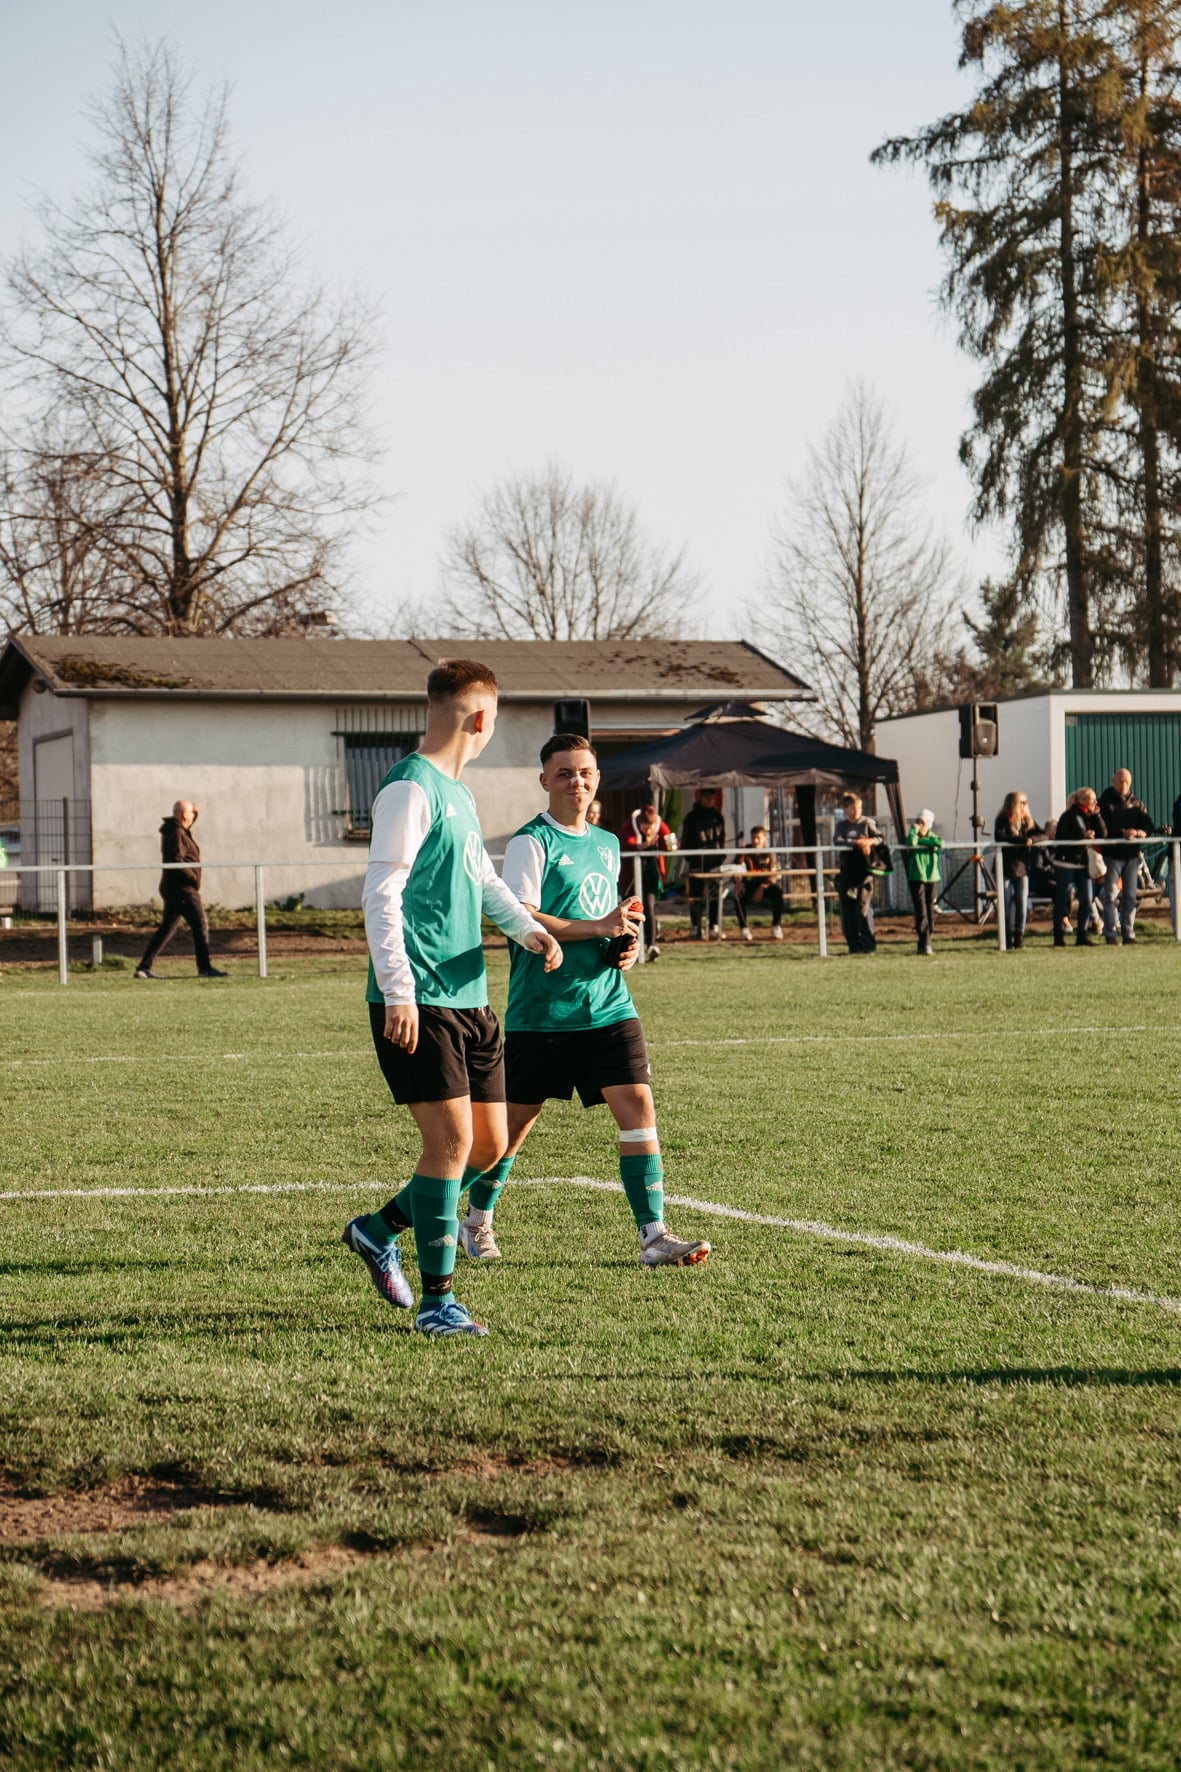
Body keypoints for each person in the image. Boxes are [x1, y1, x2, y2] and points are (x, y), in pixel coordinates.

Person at [340, 659, 564, 1339]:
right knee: (450, 1142)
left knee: (488, 1147)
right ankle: (440, 1303)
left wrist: (528, 930)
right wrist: (398, 990)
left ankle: (377, 1231)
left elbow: (484, 881)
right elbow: (380, 892)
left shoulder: (457, 794)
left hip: (471, 997)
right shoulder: (409, 789)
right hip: (420, 1000)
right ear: (480, 719)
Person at [464, 732, 710, 1269]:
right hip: (543, 1012)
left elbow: (608, 916)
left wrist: (623, 944)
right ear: (545, 780)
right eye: (566, 772)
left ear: (597, 779)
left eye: (586, 772)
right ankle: (476, 1220)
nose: (577, 780)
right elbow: (522, 916)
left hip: (607, 1005)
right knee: (511, 1131)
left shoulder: (606, 842)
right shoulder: (532, 842)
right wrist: (597, 925)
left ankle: (653, 1236)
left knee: (639, 1106)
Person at [134, 801, 227, 979]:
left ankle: (144, 967)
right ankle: (205, 968)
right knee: (200, 925)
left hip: (173, 886)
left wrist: (195, 812)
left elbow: (188, 825)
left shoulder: (177, 830)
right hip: (182, 887)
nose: (194, 817)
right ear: (185, 815)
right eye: (192, 814)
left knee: (167, 927)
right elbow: (176, 860)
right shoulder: (177, 833)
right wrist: (192, 876)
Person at [1098, 768, 1155, 945]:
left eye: (1127, 782)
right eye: (1120, 781)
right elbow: (1103, 828)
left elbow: (1148, 824)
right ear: (1113, 780)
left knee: (1130, 896)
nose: (1124, 785)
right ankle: (1110, 933)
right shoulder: (1105, 802)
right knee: (1111, 896)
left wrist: (1141, 832)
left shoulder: (1137, 803)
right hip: (1113, 856)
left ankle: (1128, 933)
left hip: (1132, 855)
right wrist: (1122, 833)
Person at [681, 789, 746, 939]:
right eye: (707, 797)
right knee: (696, 896)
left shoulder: (718, 817)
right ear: (700, 798)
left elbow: (722, 840)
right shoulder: (691, 818)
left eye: (712, 797)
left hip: (714, 863)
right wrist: (691, 859)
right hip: (697, 862)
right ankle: (696, 926)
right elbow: (686, 841)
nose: (710, 800)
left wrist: (720, 857)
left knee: (715, 895)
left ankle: (713, 926)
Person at [1052, 787, 1105, 947]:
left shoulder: (1091, 816)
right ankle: (1058, 935)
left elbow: (1103, 833)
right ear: (1082, 801)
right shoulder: (1068, 815)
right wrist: (1082, 836)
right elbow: (1061, 836)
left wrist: (1097, 815)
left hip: (1083, 864)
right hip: (1066, 862)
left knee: (1087, 898)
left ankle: (1082, 934)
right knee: (1062, 899)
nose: (1095, 802)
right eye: (1092, 799)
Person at [620, 802, 674, 959]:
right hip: (631, 878)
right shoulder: (629, 826)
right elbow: (628, 845)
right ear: (640, 823)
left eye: (650, 826)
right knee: (631, 912)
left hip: (651, 875)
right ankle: (629, 946)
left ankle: (652, 945)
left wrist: (670, 843)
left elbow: (669, 842)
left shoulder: (659, 825)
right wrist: (646, 844)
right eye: (645, 826)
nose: (648, 830)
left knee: (649, 908)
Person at [833, 791, 884, 954]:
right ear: (845, 809)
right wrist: (856, 843)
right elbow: (837, 841)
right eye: (853, 808)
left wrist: (870, 841)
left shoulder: (867, 823)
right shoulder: (841, 826)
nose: (856, 811)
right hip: (847, 870)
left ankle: (869, 944)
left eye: (859, 807)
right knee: (847, 909)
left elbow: (880, 838)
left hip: (864, 872)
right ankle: (853, 945)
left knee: (863, 908)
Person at [993, 791, 1041, 949]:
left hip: (1021, 867)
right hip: (1005, 867)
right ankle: (1005, 937)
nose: (1025, 806)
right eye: (1022, 803)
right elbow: (1000, 837)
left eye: (1025, 803)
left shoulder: (1027, 821)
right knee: (1005, 904)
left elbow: (1044, 834)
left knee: (1022, 902)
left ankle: (1019, 935)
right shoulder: (1002, 819)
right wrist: (1022, 841)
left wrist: (1032, 840)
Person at [905, 808, 942, 956]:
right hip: (916, 878)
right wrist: (915, 833)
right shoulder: (913, 836)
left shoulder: (933, 837)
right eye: (917, 822)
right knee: (921, 910)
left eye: (923, 822)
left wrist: (923, 839)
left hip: (931, 877)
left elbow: (939, 842)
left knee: (930, 908)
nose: (919, 825)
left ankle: (926, 937)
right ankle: (925, 942)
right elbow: (911, 843)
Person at [738, 826, 785, 940]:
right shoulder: (744, 851)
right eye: (753, 838)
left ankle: (776, 926)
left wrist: (763, 887)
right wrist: (738, 882)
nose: (755, 841)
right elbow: (736, 869)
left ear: (764, 838)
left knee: (778, 892)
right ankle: (744, 928)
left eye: (758, 838)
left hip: (764, 886)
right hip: (748, 885)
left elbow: (773, 874)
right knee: (737, 893)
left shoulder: (769, 854)